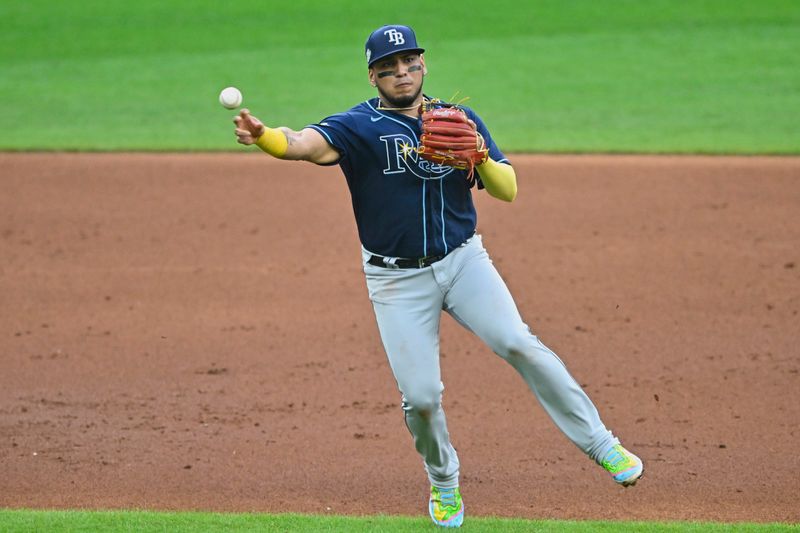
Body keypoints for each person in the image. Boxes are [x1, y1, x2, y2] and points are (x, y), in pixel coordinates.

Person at [232, 24, 643, 529]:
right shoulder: (357, 127)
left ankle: (603, 445)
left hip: (463, 262)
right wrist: (265, 138)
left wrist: (480, 155)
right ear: (372, 75)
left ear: (423, 64)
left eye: (409, 63)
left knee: (518, 341)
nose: (401, 73)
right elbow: (303, 143)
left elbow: (508, 190)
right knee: (422, 398)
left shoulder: (459, 119)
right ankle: (444, 483)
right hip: (396, 280)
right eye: (389, 67)